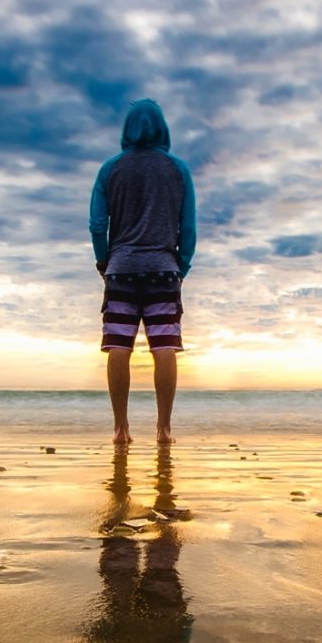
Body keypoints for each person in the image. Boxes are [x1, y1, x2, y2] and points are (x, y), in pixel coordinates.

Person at [89, 98, 196, 444]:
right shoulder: (178, 169)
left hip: (120, 270)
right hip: (163, 270)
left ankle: (121, 429)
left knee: (118, 347)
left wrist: (104, 261)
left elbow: (96, 224)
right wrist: (182, 264)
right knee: (164, 347)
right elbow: (188, 227)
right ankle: (164, 429)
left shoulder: (110, 169)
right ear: (162, 126)